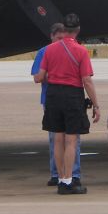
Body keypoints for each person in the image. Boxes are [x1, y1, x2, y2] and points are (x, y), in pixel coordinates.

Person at [34, 13, 100, 195]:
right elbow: (86, 80)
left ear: (64, 28)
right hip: (72, 96)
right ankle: (68, 180)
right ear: (78, 30)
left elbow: (39, 76)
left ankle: (60, 177)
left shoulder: (50, 50)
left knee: (57, 140)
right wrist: (96, 104)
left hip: (53, 95)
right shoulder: (80, 51)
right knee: (71, 140)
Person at [31, 23, 82, 187]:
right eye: (58, 38)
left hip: (69, 98)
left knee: (73, 139)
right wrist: (55, 75)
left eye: (63, 37)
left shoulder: (74, 49)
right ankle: (57, 173)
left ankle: (73, 173)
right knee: (56, 139)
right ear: (51, 37)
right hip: (50, 100)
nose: (61, 41)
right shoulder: (44, 52)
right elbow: (37, 77)